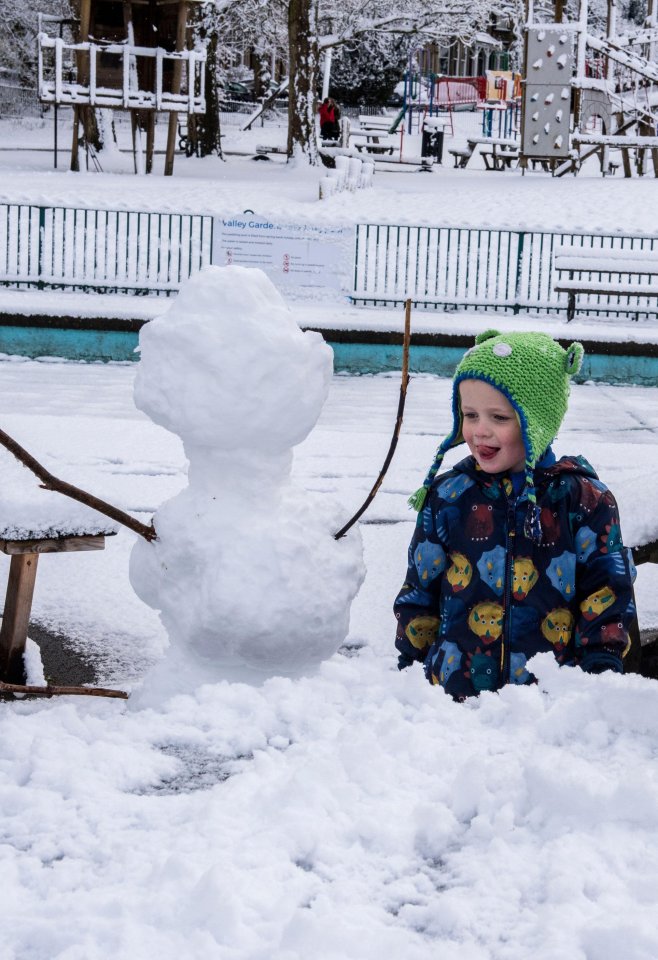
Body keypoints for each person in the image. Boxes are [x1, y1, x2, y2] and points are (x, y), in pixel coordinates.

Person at [394, 330, 636, 700]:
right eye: (470, 414)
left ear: (536, 420)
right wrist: (410, 670)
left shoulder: (584, 500)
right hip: (450, 702)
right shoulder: (448, 496)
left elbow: (607, 596)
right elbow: (421, 588)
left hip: (550, 706)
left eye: (499, 417)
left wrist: (599, 680)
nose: (480, 431)